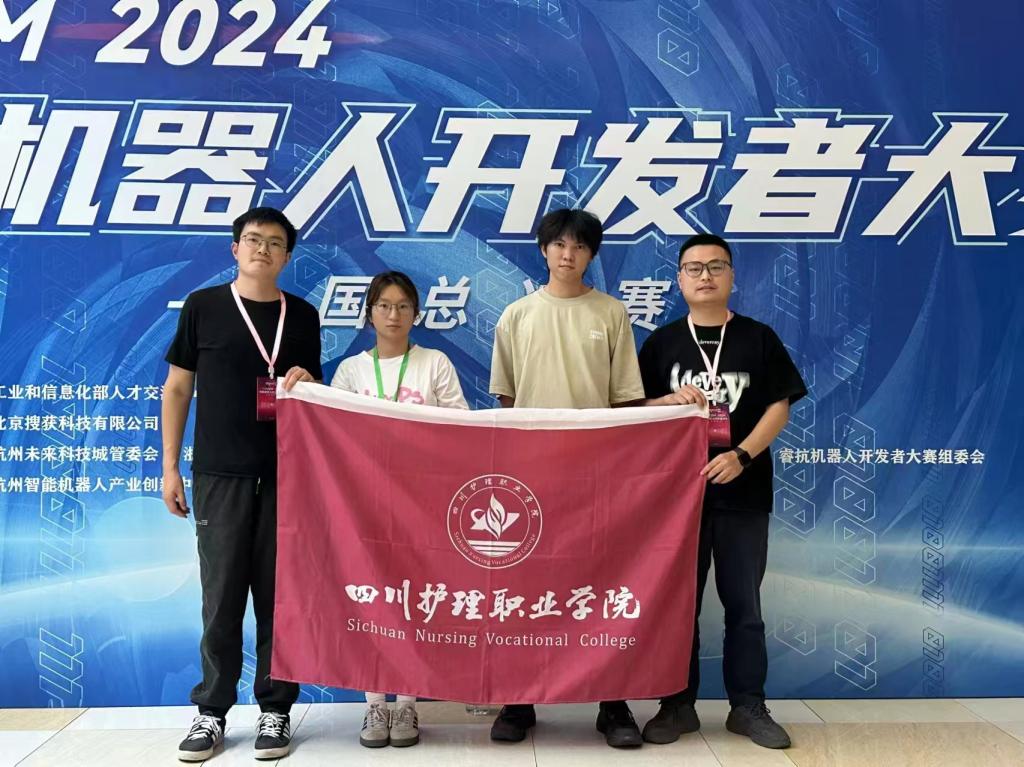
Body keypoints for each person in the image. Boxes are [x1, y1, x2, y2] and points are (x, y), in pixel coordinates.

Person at [161, 207, 322, 762]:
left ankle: (276, 709)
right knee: (221, 596)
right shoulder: (203, 307)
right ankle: (211, 711)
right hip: (219, 473)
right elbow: (177, 388)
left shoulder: (302, 315)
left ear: (287, 256)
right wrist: (170, 467)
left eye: (275, 243)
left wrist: (307, 378)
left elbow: (314, 393)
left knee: (280, 597)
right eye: (253, 240)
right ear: (235, 248)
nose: (263, 250)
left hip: (287, 474)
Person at [637, 233, 806, 750]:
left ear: (732, 275)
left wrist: (743, 455)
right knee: (677, 606)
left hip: (743, 493)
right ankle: (676, 704)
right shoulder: (661, 343)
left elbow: (780, 404)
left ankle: (748, 706)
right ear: (679, 279)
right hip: (676, 500)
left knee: (743, 605)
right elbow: (631, 408)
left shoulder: (758, 337)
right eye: (694, 268)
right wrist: (664, 401)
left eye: (716, 266)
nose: (705, 276)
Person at [488, 208, 647, 748]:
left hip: (598, 472)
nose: (567, 254)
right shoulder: (516, 315)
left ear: (591, 255)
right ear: (543, 249)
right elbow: (508, 400)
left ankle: (612, 702)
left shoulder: (612, 313)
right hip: (530, 476)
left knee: (603, 583)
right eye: (558, 244)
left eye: (579, 246)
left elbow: (625, 400)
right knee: (526, 586)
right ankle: (518, 699)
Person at [331, 270, 468, 747]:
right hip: (364, 503)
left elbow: (460, 427)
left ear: (416, 314)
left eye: (404, 306)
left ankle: (408, 703)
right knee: (371, 598)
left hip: (421, 503)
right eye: (384, 305)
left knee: (414, 597)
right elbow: (333, 432)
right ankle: (374, 705)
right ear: (369, 313)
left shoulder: (434, 363)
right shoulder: (351, 371)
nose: (394, 315)